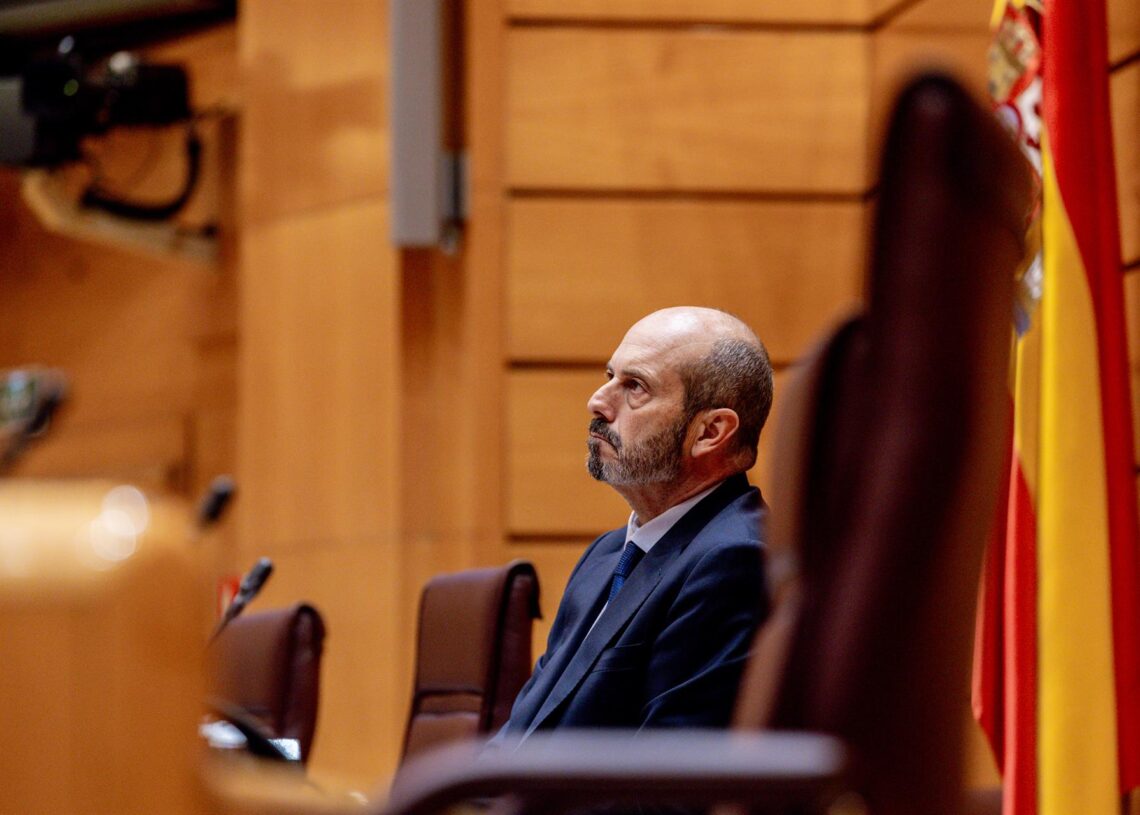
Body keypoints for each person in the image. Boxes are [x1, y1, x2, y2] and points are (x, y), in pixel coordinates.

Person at [494, 306, 773, 743]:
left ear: (710, 431)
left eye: (635, 387)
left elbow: (669, 772)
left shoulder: (735, 561)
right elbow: (523, 731)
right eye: (610, 375)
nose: (597, 401)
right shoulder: (606, 555)